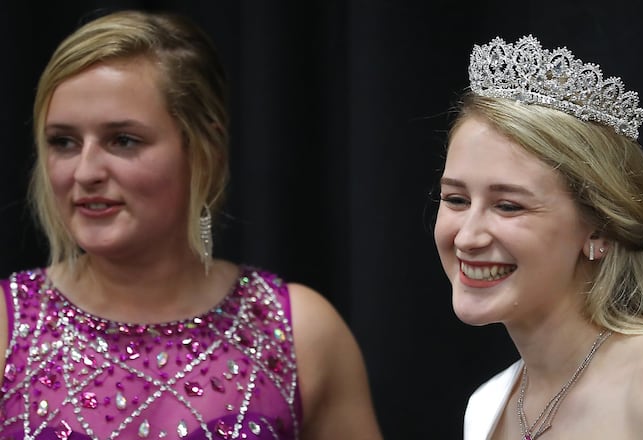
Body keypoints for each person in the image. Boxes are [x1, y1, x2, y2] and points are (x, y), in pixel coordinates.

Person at [0, 10, 383, 440]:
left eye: (123, 140)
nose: (85, 171)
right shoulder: (7, 327)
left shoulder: (298, 330)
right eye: (64, 142)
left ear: (205, 150)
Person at [434, 35, 643, 439]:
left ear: (600, 225)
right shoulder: (486, 406)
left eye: (508, 205)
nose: (468, 237)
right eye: (456, 199)